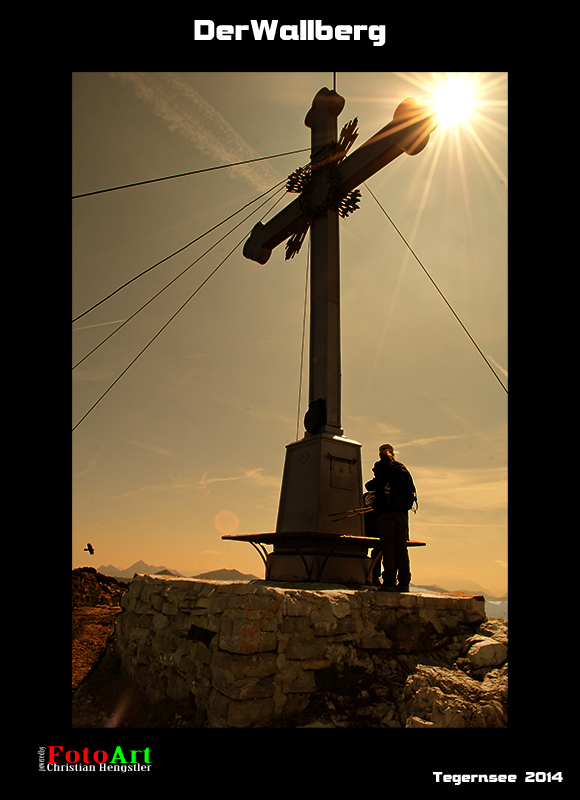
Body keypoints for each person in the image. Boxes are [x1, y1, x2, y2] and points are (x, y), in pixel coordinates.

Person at [365, 444, 417, 592]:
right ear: (393, 453)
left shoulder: (382, 467)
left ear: (380, 454)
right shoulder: (401, 467)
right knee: (401, 547)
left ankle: (388, 581)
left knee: (387, 547)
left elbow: (372, 485)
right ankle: (404, 582)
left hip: (385, 513)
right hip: (402, 513)